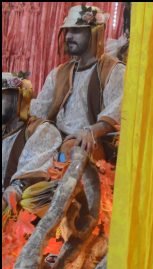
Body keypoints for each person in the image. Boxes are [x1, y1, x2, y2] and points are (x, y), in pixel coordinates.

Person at [30, 5, 125, 162]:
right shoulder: (58, 73)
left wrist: (91, 131)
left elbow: (116, 111)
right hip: (56, 141)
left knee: (71, 151)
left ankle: (60, 170)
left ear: (94, 32)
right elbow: (39, 112)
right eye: (67, 30)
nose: (68, 36)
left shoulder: (114, 70)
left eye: (76, 30)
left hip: (88, 145)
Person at [2, 72, 61, 217]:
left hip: (19, 216)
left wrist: (12, 192)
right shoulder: (4, 132)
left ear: (18, 97)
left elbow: (30, 176)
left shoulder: (40, 130)